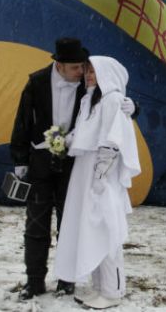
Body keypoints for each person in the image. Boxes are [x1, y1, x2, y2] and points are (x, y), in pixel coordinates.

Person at [9, 38, 138, 300]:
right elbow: (22, 121)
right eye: (76, 68)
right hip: (41, 164)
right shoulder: (36, 82)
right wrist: (21, 160)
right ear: (59, 65)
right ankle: (34, 281)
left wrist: (134, 108)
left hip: (74, 166)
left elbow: (112, 104)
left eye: (84, 67)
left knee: (71, 223)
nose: (82, 73)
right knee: (36, 224)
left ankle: (67, 281)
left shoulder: (89, 85)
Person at [54, 56, 141, 310]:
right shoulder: (90, 100)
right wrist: (62, 140)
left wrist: (101, 176)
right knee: (92, 231)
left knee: (107, 231)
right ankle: (99, 288)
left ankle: (113, 292)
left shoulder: (113, 100)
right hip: (86, 175)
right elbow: (84, 133)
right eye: (88, 71)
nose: (89, 75)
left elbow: (112, 142)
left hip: (100, 177)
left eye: (94, 71)